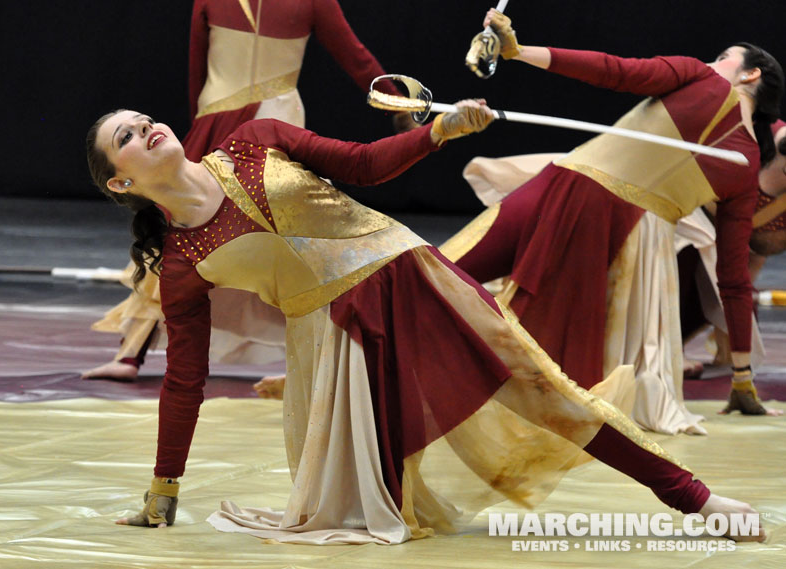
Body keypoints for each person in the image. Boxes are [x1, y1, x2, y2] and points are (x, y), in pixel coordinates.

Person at [87, 108, 762, 544]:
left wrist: (436, 133)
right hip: (338, 343)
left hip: (412, 275)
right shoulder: (179, 266)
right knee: (382, 490)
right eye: (127, 137)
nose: (146, 128)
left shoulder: (253, 141)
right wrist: (162, 489)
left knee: (538, 389)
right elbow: (185, 381)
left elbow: (360, 163)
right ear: (121, 183)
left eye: (144, 120)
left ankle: (693, 499)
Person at [442, 9, 784, 435]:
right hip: (634, 252)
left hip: (574, 188)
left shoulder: (701, 77)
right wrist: (741, 378)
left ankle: (398, 364)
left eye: (724, 57)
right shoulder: (748, 163)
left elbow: (613, 71)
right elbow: (733, 278)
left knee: (441, 273)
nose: (715, 61)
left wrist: (517, 52)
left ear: (750, 75)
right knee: (554, 362)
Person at [83, 0, 412, 382]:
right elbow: (356, 57)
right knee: (295, 242)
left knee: (184, 233)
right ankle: (321, 353)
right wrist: (398, 107)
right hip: (271, 119)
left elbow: (197, 69)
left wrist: (192, 135)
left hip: (220, 120)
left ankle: (130, 354)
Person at [680, 120, 786, 371]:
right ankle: (666, 350)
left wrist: (733, 310)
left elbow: (759, 250)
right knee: (689, 247)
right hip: (683, 214)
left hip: (727, 240)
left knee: (732, 290)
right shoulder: (752, 138)